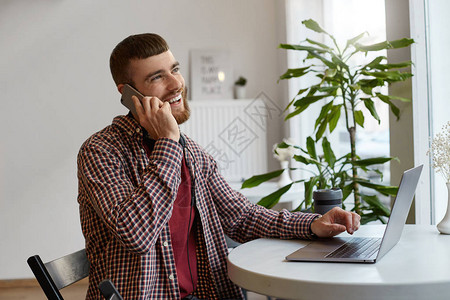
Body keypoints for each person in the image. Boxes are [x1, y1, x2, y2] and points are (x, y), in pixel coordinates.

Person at [77, 33, 360, 300]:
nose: (176, 84)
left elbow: (241, 217)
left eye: (175, 69)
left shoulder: (192, 154)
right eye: (157, 77)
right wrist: (168, 143)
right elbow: (135, 233)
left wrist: (312, 223)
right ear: (128, 93)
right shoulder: (101, 151)